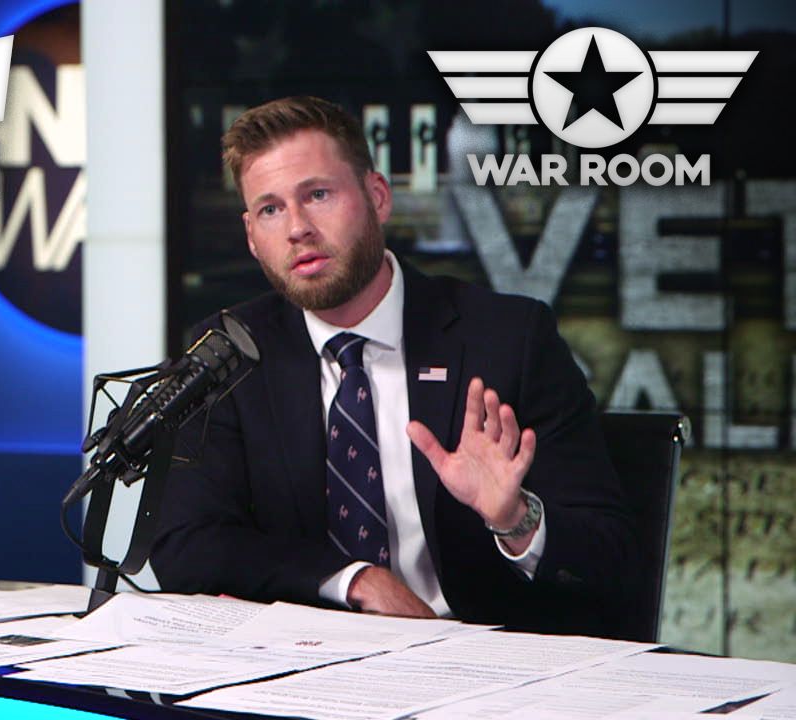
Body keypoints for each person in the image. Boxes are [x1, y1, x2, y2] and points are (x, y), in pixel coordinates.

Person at [150, 96, 637, 636]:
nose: (297, 228)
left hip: (477, 658)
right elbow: (183, 545)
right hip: (304, 659)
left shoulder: (509, 339)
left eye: (318, 195)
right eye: (271, 209)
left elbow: (611, 556)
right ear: (250, 236)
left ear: (377, 197)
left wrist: (515, 518)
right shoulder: (229, 353)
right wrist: (351, 580)